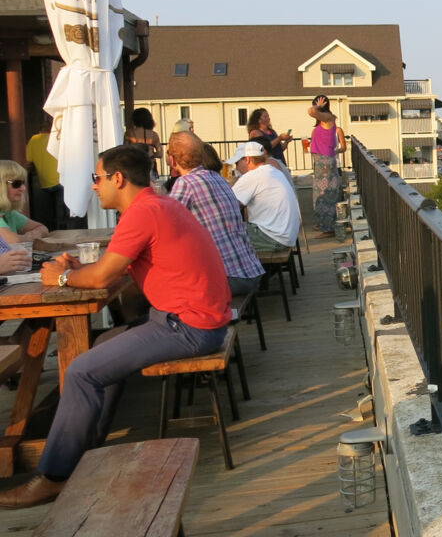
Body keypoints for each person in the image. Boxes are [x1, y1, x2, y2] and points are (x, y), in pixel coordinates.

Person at [0, 145, 230, 509]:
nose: (94, 187)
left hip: (187, 326)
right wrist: (76, 271)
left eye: (97, 178)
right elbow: (112, 268)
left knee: (80, 371)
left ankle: (54, 477)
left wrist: (62, 278)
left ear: (117, 179)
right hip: (194, 317)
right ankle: (84, 451)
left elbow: (103, 276)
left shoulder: (142, 213)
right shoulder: (158, 205)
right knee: (103, 343)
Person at [167, 133, 265, 296]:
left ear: (172, 160)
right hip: (250, 270)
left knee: (166, 285)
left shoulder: (185, 183)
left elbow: (165, 228)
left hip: (228, 277)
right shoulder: (216, 177)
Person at [229, 141, 301, 253]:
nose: (237, 168)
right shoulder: (273, 171)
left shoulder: (252, 176)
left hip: (272, 238)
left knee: (224, 236)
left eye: (237, 163)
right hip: (287, 237)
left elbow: (229, 206)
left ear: (247, 159)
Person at [306, 95, 344, 238]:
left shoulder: (328, 117)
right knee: (321, 193)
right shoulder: (324, 120)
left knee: (325, 194)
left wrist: (317, 107)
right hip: (321, 161)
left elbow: (310, 111)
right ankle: (324, 224)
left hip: (325, 162)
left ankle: (329, 228)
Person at [26, 120, 65, 230]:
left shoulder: (34, 140)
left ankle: (50, 229)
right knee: (61, 214)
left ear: (40, 130)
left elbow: (27, 161)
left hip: (44, 183)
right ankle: (60, 229)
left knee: (46, 212)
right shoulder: (59, 139)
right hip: (60, 181)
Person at [0, 160, 49, 240]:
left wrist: (26, 237)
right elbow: (11, 241)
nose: (23, 188)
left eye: (23, 183)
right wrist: (29, 237)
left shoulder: (8, 212)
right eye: (16, 183)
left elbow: (43, 229)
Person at [125, 108, 163, 175]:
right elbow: (160, 154)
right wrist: (151, 154)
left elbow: (124, 151)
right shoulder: (153, 135)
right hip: (149, 165)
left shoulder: (129, 134)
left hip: (134, 165)